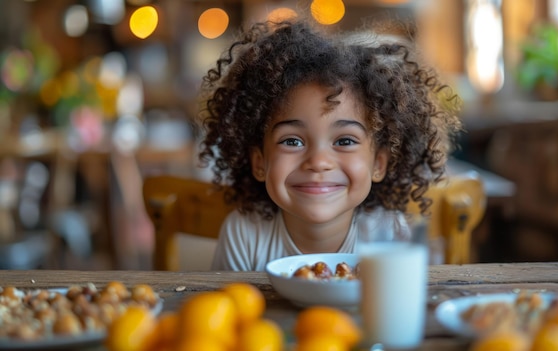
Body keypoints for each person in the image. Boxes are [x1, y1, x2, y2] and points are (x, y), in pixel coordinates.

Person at [196, 17, 461, 271]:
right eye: (292, 141)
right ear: (259, 162)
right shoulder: (244, 234)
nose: (319, 162)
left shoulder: (390, 235)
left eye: (345, 140)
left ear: (379, 163)